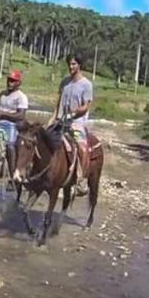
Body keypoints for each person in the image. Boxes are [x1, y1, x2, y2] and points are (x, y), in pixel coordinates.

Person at [52, 55, 93, 196]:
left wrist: (73, 113)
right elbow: (58, 104)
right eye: (69, 64)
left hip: (76, 122)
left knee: (82, 148)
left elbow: (86, 106)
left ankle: (81, 180)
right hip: (60, 120)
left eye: (74, 64)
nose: (71, 67)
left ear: (79, 65)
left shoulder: (86, 84)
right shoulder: (64, 82)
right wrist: (52, 120)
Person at [0, 69, 28, 185]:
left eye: (13, 81)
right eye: (9, 80)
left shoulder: (21, 97)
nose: (10, 83)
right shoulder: (2, 94)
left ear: (18, 83)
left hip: (12, 125)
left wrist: (3, 114)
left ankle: (12, 176)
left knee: (10, 146)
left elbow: (21, 115)